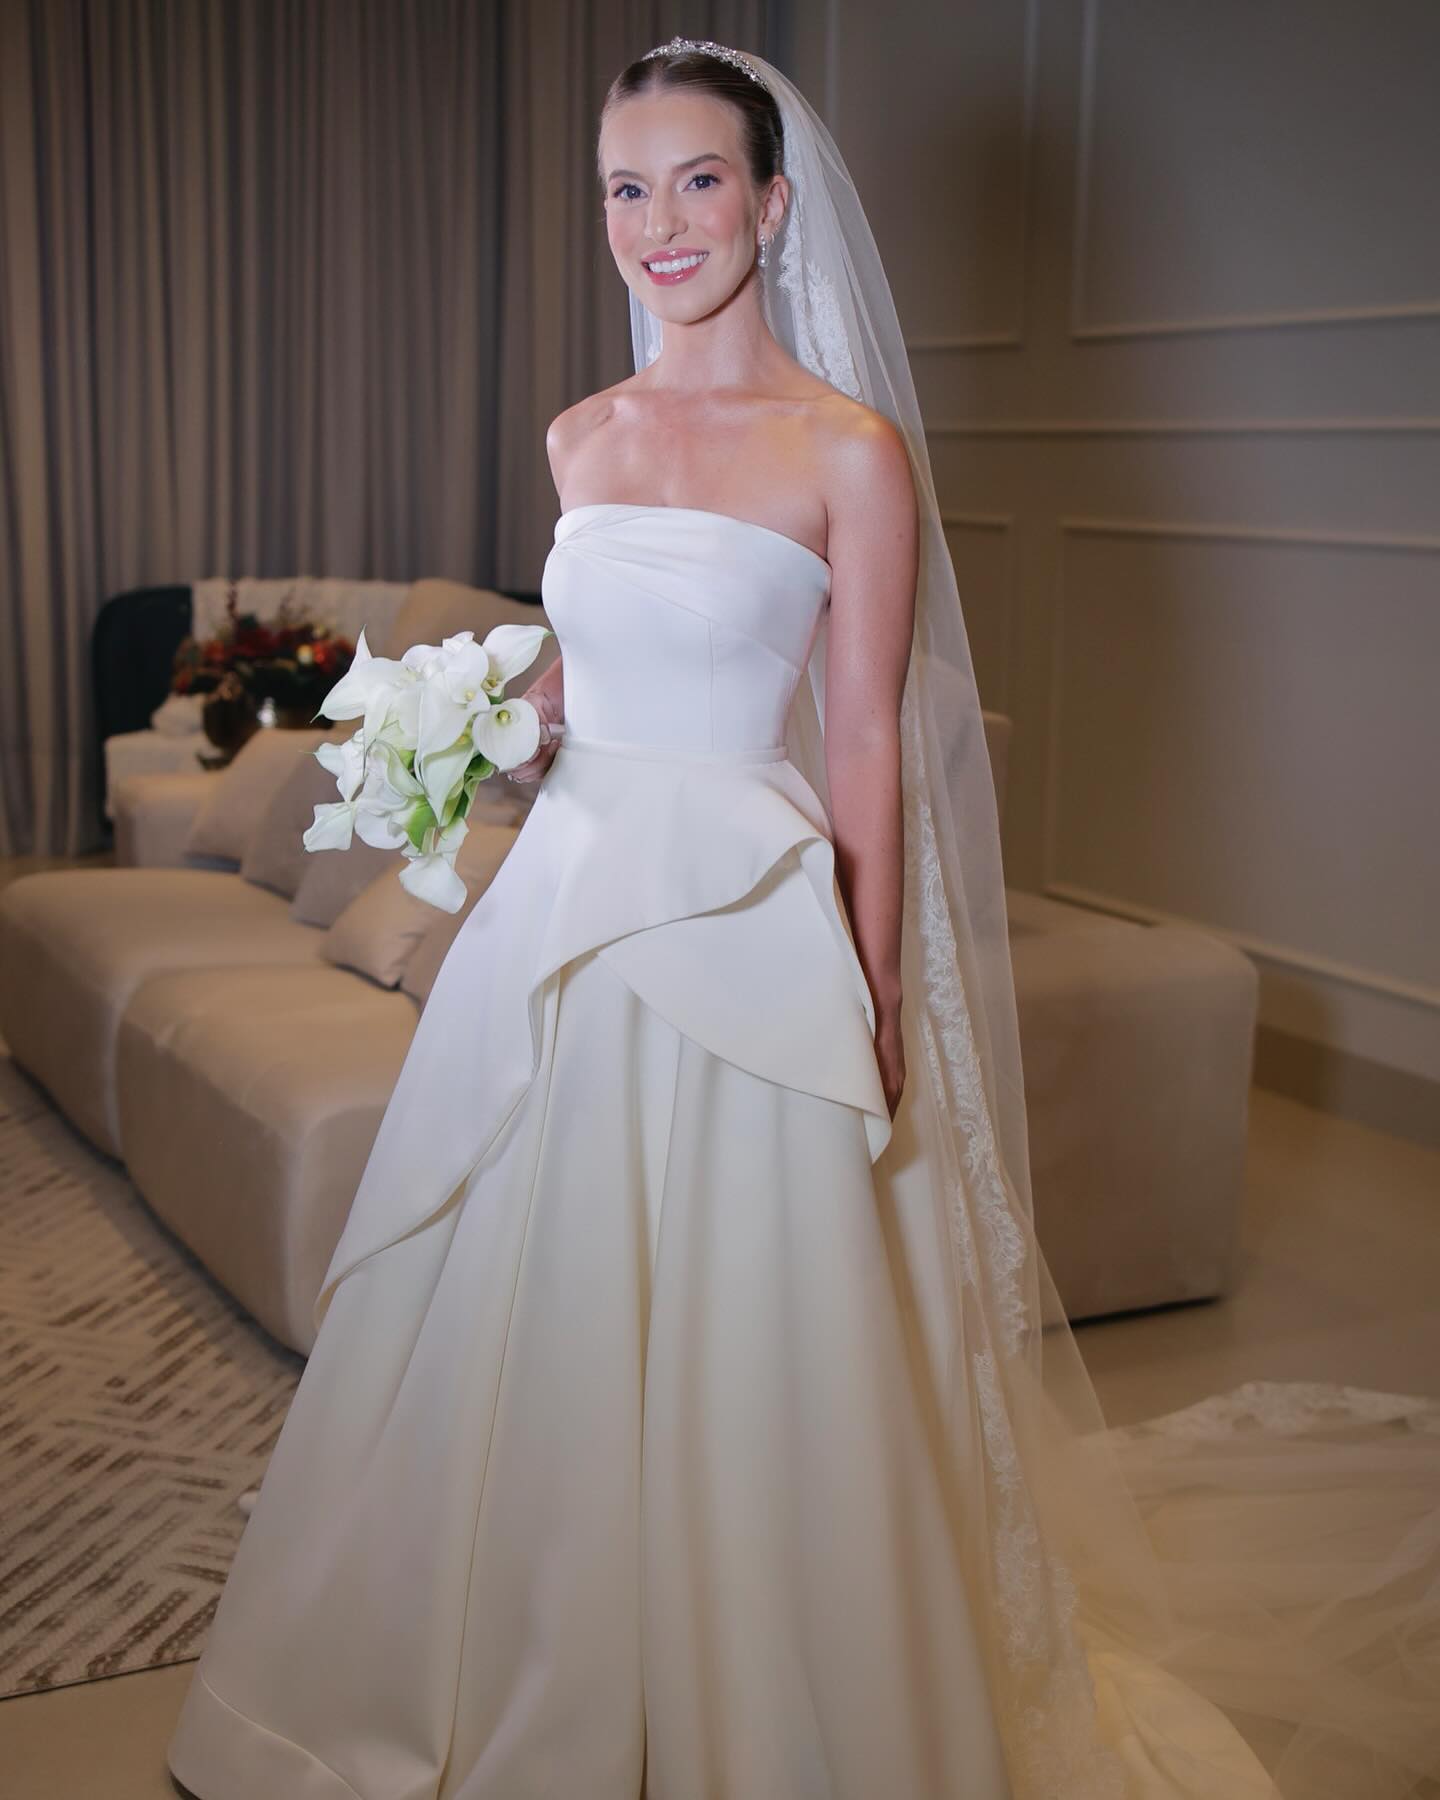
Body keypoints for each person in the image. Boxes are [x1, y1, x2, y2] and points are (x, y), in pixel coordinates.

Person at [167, 38, 1439, 1800]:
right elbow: (596, 670)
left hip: (745, 920)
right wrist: (497, 724)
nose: (660, 222)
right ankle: (515, 1681)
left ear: (771, 204)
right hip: (568, 912)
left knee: (753, 1338)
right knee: (529, 1311)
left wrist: (879, 976)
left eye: (698, 180)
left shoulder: (850, 452)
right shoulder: (583, 434)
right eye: (626, 188)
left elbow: (859, 741)